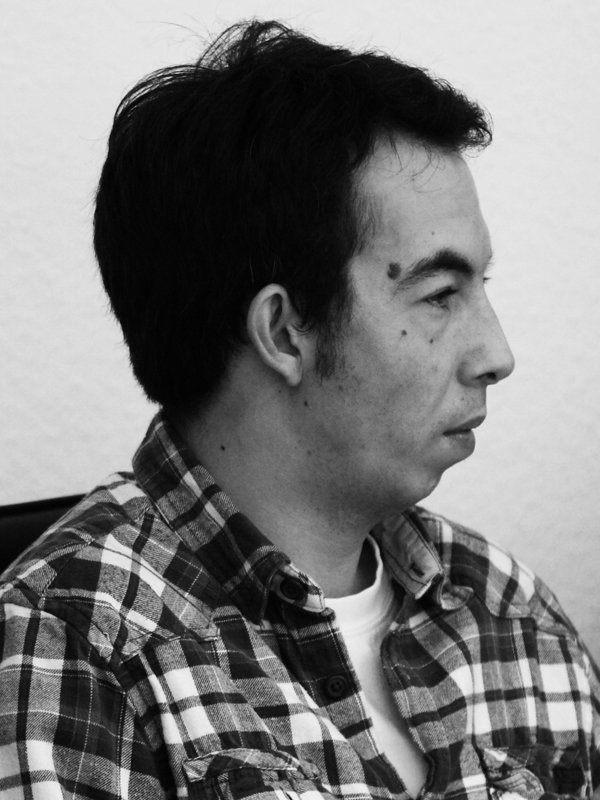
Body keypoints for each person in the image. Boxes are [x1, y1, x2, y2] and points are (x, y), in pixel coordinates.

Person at [0, 19, 598, 800]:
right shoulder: (71, 646)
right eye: (440, 294)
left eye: (480, 287)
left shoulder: (513, 616)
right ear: (285, 332)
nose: (497, 353)